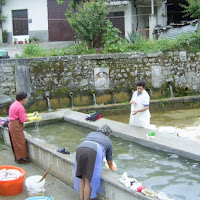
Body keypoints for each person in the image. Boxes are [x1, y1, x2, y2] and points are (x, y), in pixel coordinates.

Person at [74, 124, 116, 200]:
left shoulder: (91, 134)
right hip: (92, 151)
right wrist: (112, 168)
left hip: (80, 148)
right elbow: (109, 161)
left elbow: (87, 145)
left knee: (82, 178)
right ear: (108, 133)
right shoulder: (108, 141)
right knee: (87, 180)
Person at [8, 91, 41, 164]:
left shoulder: (14, 104)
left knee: (16, 142)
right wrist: (33, 119)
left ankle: (18, 157)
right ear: (22, 99)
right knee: (20, 142)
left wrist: (31, 115)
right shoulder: (20, 107)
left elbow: (20, 115)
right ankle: (20, 159)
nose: (26, 100)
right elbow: (23, 119)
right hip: (16, 126)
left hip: (12, 124)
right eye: (26, 98)